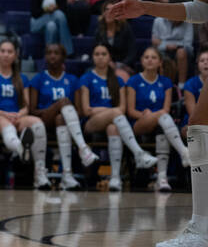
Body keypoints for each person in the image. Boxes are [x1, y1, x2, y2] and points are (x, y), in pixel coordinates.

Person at [78, 43, 158, 192]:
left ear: (109, 58)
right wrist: (109, 111)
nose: (100, 57)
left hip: (113, 122)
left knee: (113, 127)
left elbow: (122, 108)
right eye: (97, 54)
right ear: (92, 57)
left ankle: (115, 178)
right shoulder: (86, 78)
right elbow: (87, 110)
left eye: (104, 54)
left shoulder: (118, 80)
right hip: (91, 124)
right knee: (116, 114)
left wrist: (104, 111)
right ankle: (138, 153)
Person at [28, 43, 99, 189]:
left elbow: (79, 111)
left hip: (65, 122)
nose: (52, 56)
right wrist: (54, 108)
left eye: (56, 53)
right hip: (44, 121)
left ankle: (67, 175)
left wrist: (61, 113)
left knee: (61, 118)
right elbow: (32, 111)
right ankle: (83, 148)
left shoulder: (73, 80)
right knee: (64, 101)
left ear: (63, 57)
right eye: (49, 53)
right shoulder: (38, 79)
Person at [0, 39, 46, 188]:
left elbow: (26, 106)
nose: (6, 55)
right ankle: (21, 149)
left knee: (37, 123)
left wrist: (18, 114)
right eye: (3, 51)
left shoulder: (21, 78)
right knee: (3, 122)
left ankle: (40, 173)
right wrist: (4, 114)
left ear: (15, 55)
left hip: (16, 116)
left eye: (9, 52)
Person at [125, 47, 191, 193]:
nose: (150, 60)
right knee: (163, 117)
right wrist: (145, 115)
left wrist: (154, 115)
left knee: (163, 127)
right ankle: (184, 152)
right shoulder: (133, 81)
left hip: (161, 123)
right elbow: (130, 111)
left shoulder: (166, 82)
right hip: (139, 123)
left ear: (160, 62)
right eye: (146, 57)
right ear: (142, 61)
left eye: (154, 57)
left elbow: (166, 109)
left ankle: (162, 179)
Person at [152, 14, 194, 83]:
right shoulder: (158, 21)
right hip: (163, 51)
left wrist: (164, 43)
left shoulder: (188, 22)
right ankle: (164, 86)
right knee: (161, 58)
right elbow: (154, 42)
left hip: (183, 51)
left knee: (181, 52)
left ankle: (181, 86)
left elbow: (188, 45)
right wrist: (166, 46)